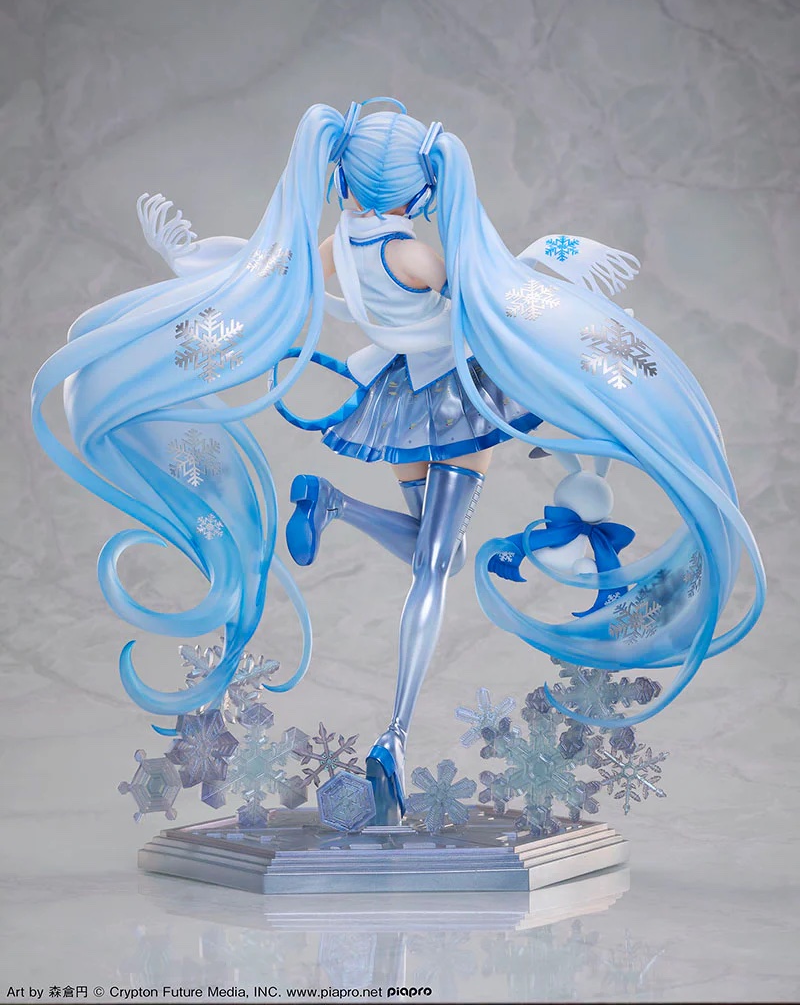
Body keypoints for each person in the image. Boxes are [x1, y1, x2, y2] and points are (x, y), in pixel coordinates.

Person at [31, 98, 765, 825]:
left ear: (343, 183)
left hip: (397, 401)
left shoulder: (336, 248)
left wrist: (190, 259)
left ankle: (335, 505)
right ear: (421, 193)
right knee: (436, 567)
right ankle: (396, 733)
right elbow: (492, 305)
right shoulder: (416, 255)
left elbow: (264, 271)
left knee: (437, 553)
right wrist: (566, 309)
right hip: (454, 403)